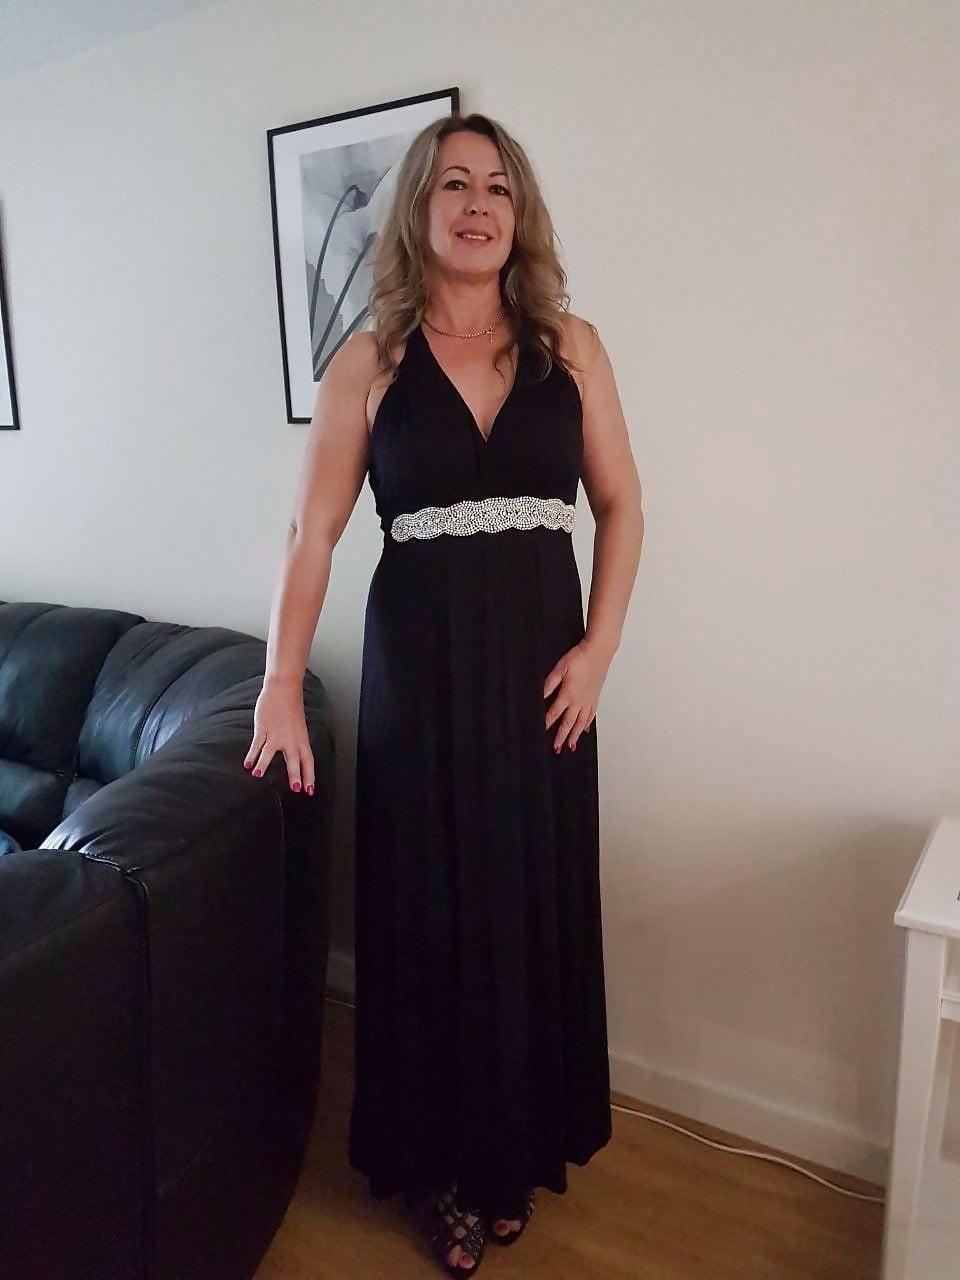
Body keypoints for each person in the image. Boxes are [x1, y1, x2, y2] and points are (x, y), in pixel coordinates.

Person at [244, 111, 644, 1275]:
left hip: (543, 676)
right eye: (455, 183)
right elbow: (313, 533)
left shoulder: (574, 345)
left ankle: (508, 1153)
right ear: (420, 207)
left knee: (523, 899)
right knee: (432, 909)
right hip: (418, 676)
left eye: (498, 186)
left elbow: (623, 503)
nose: (478, 203)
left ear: (520, 214)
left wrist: (601, 647)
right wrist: (278, 680)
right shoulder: (367, 361)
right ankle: (443, 1166)